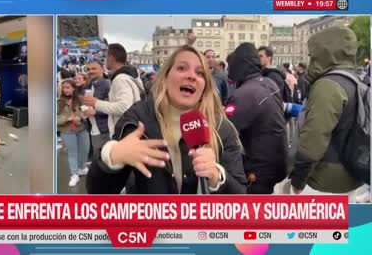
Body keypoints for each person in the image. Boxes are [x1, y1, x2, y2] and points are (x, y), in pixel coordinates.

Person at [86, 45, 246, 194]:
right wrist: (112, 156)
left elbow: (240, 196)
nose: (191, 76)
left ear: (205, 85)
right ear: (166, 76)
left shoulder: (220, 127)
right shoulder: (137, 119)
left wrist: (217, 177)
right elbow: (97, 192)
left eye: (200, 73)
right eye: (182, 68)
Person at [289, 26, 365, 201]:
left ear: (325, 53)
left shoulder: (327, 85)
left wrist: (299, 178)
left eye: (313, 54)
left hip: (326, 180)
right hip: (351, 172)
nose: (311, 58)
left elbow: (314, 137)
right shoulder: (354, 80)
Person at [225, 43, 287, 194]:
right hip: (278, 161)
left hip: (258, 169)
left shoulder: (242, 95)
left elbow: (225, 131)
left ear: (240, 66)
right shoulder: (269, 83)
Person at [83, 43, 143, 137]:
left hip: (123, 131)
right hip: (128, 128)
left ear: (111, 57)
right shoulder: (127, 77)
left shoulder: (120, 79)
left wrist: (96, 103)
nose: (105, 60)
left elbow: (124, 107)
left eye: (106, 57)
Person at [57, 79, 90, 187]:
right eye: (64, 88)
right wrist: (67, 119)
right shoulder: (58, 102)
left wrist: (79, 117)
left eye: (68, 87)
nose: (65, 90)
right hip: (67, 131)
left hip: (81, 129)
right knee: (72, 153)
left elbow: (86, 111)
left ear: (73, 88)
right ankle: (74, 174)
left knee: (85, 149)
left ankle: (81, 168)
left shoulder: (80, 99)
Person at [83, 61, 111, 156]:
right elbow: (85, 102)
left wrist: (96, 111)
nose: (90, 71)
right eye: (88, 69)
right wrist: (84, 110)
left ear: (102, 69)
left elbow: (113, 107)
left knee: (105, 158)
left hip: (104, 129)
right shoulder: (88, 85)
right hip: (92, 127)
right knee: (97, 158)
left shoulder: (108, 85)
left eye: (94, 68)